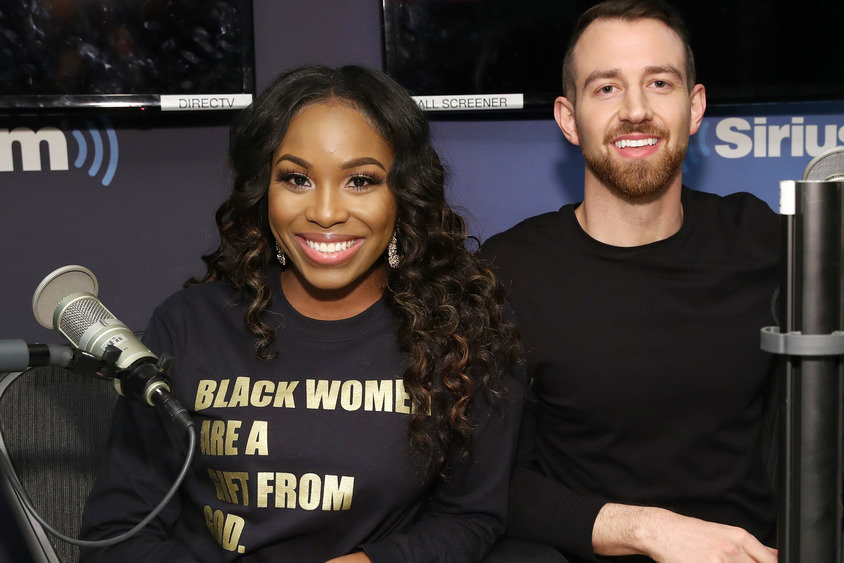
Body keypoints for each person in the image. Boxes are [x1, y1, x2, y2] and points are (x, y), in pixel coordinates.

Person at [80, 65, 524, 562]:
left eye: (360, 180)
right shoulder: (188, 325)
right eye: (296, 178)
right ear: (263, 190)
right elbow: (116, 534)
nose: (326, 212)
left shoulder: (459, 335)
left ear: (402, 193)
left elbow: (470, 516)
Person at [478, 1, 781, 562]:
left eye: (659, 83)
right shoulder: (510, 269)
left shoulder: (759, 240)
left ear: (694, 107)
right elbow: (488, 483)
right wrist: (652, 530)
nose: (636, 110)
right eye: (607, 88)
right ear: (569, 119)